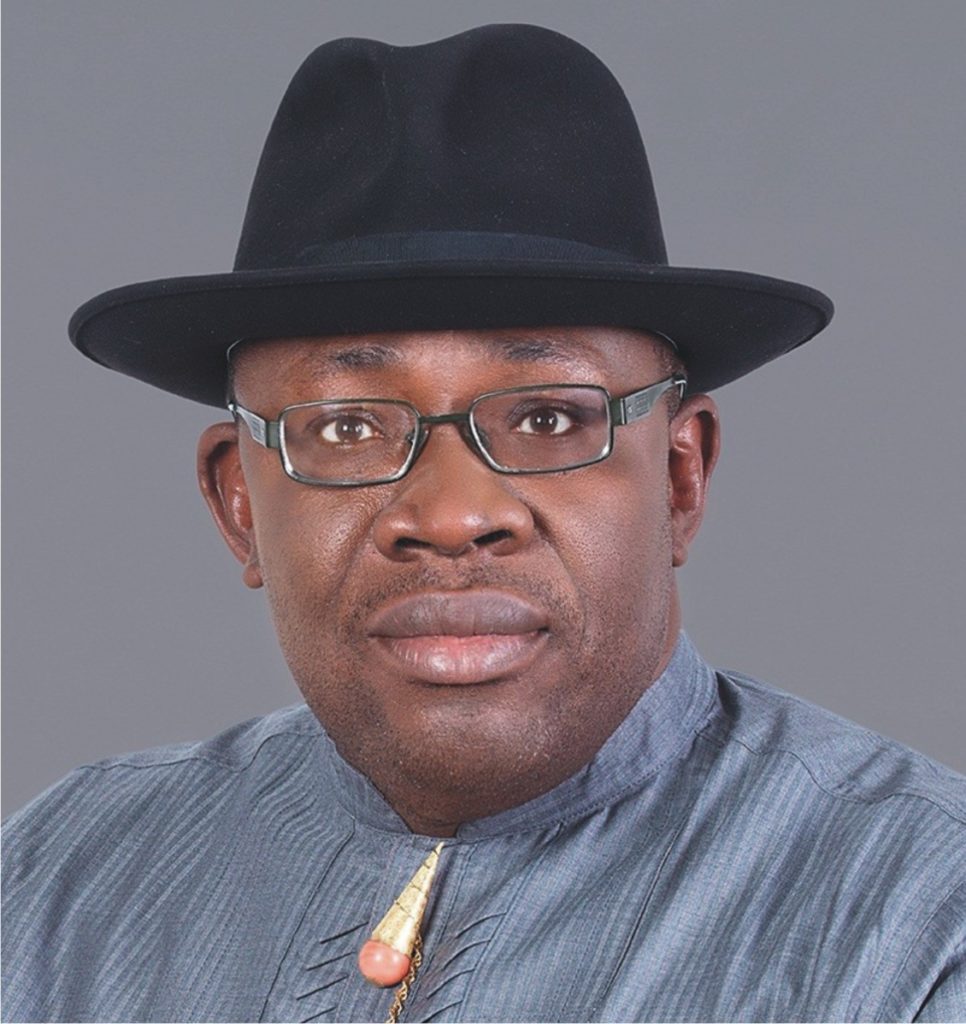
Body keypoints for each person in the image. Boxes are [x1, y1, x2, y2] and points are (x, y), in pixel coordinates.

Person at [3, 23, 964, 1024]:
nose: (453, 515)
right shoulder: (61, 885)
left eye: (548, 418)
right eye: (347, 427)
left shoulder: (918, 922)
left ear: (680, 477)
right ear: (237, 501)